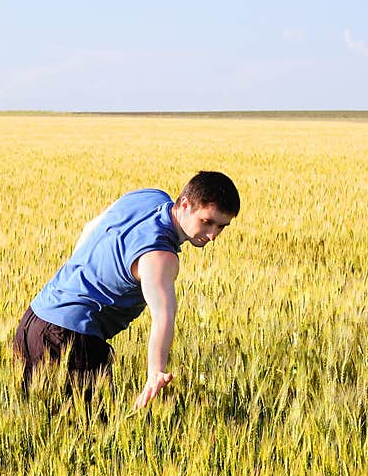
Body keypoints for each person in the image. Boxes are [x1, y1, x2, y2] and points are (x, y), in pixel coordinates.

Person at [14, 170, 240, 411]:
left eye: (221, 227)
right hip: (70, 338)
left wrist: (77, 277)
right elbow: (163, 316)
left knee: (44, 422)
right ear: (185, 204)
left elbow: (90, 227)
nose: (213, 235)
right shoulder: (160, 256)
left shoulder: (149, 197)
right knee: (90, 434)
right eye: (207, 222)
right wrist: (156, 372)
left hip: (34, 321)